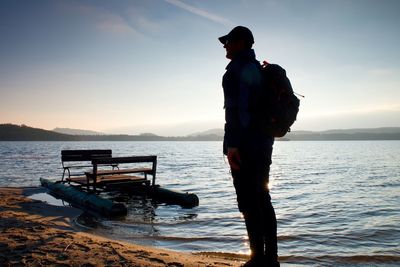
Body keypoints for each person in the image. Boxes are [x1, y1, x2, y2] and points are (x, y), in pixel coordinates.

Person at [219, 26, 279, 267]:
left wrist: (233, 145)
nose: (224, 45)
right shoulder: (258, 69)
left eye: (228, 41)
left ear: (241, 42)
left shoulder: (236, 70)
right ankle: (270, 260)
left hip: (245, 146)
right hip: (264, 143)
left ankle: (257, 259)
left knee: (248, 201)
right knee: (262, 199)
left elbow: (237, 110)